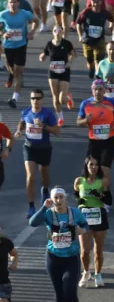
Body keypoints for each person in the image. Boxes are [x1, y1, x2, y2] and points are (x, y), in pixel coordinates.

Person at [28, 188, 88, 302]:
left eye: (61, 197)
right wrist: (44, 207)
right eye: (56, 197)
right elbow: (32, 223)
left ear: (65, 198)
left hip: (71, 257)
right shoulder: (48, 213)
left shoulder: (75, 212)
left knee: (69, 289)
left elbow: (85, 225)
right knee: (59, 291)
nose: (59, 200)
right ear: (52, 199)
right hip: (53, 257)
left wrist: (82, 230)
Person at [15, 88, 60, 216]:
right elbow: (22, 122)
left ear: (42, 100)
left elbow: (57, 131)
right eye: (33, 98)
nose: (35, 101)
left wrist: (44, 126)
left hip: (44, 147)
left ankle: (45, 190)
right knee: (30, 176)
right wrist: (19, 130)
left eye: (38, 98)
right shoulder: (26, 112)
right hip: (29, 147)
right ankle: (31, 206)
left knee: (44, 173)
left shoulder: (48, 114)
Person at [73, 156, 110, 288]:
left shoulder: (103, 181)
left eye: (96, 165)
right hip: (84, 216)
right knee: (84, 250)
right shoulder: (79, 181)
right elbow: (76, 196)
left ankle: (98, 274)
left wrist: (97, 194)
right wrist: (80, 201)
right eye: (91, 165)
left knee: (98, 250)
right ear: (86, 166)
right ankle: (86, 272)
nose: (94, 167)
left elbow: (109, 200)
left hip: (99, 215)